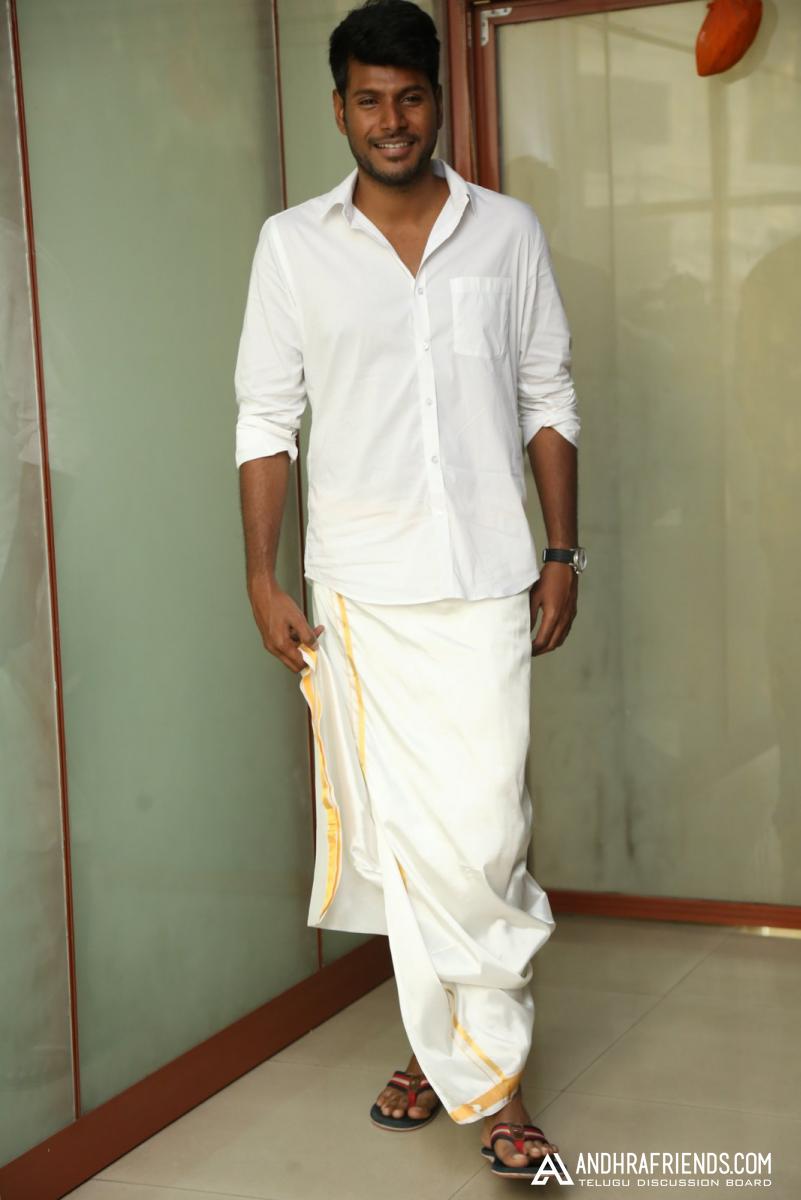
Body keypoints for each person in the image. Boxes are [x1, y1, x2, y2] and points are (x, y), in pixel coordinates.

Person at [234, 0, 585, 1181]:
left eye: (411, 97)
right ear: (339, 109)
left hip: (485, 575)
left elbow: (548, 395)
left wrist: (563, 551)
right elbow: (266, 417)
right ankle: (488, 1086)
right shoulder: (292, 245)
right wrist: (260, 573)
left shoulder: (508, 232)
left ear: (438, 102)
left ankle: (455, 1054)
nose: (392, 120)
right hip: (359, 587)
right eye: (369, 100)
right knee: (405, 834)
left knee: (481, 833)